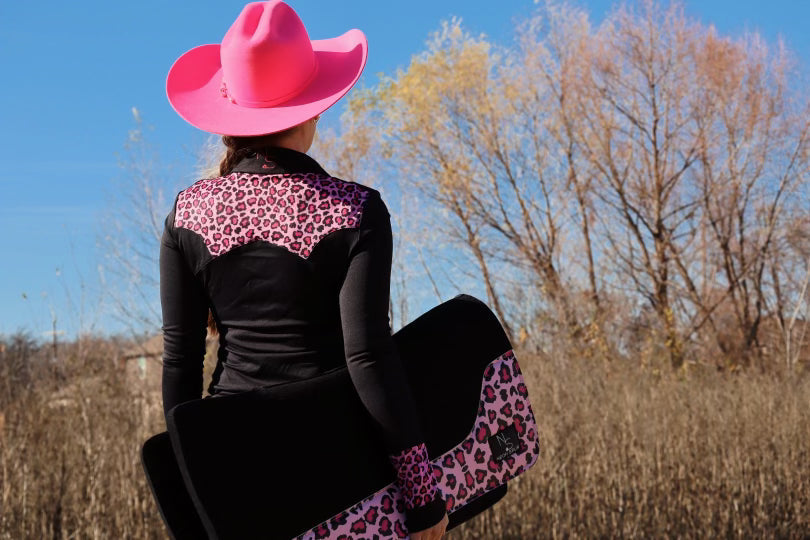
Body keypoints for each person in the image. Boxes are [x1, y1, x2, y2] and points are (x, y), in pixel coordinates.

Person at [161, 1, 449, 538]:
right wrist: (422, 493)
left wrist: (190, 492)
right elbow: (367, 355)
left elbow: (180, 361)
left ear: (233, 117)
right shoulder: (355, 208)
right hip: (338, 462)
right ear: (314, 108)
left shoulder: (187, 213)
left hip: (233, 467)